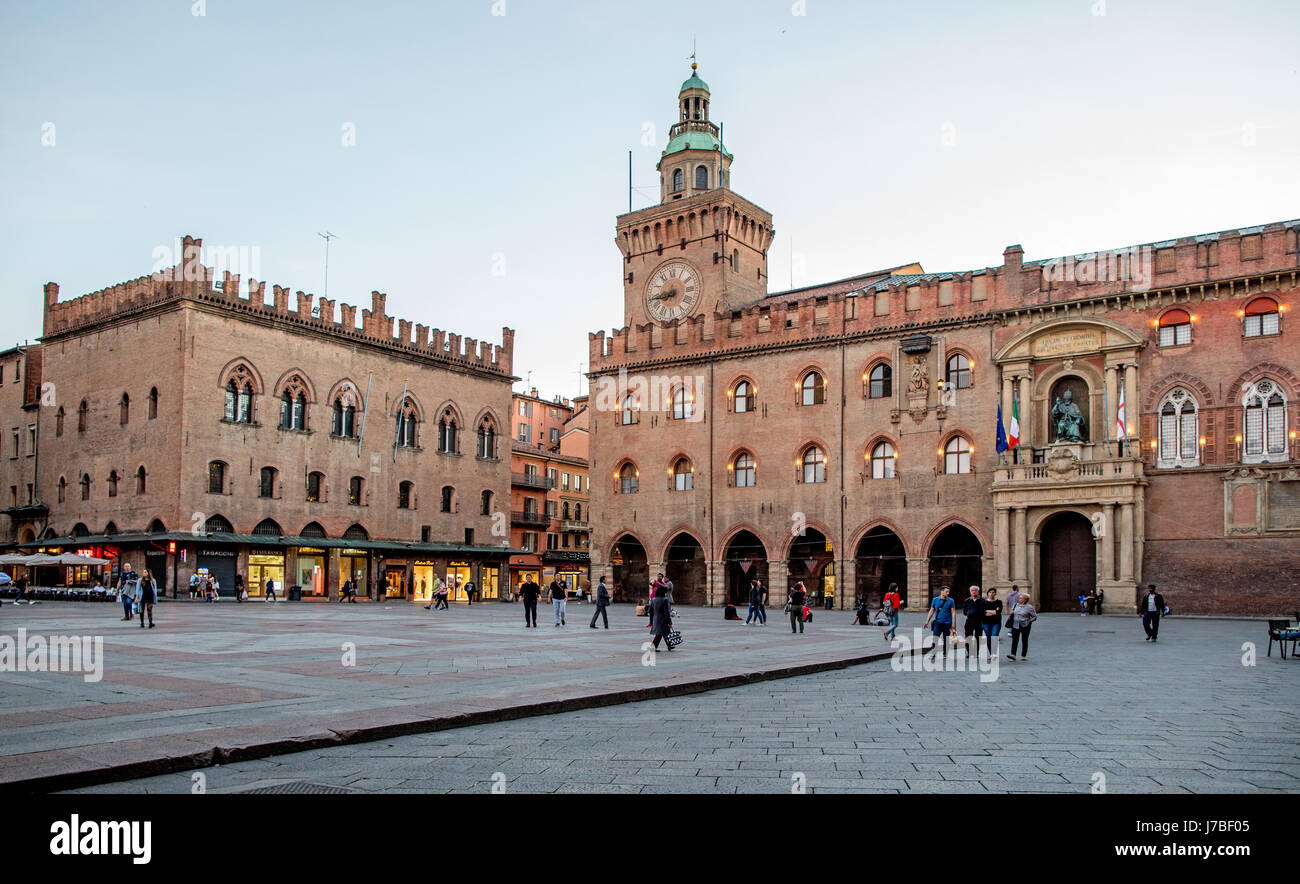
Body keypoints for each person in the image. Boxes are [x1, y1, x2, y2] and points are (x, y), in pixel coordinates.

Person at [923, 585, 957, 656]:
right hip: (938, 622)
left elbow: (953, 612)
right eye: (946, 592)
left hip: (947, 623)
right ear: (941, 592)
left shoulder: (951, 601)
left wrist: (954, 624)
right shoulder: (935, 600)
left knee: (946, 639)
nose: (948, 593)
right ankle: (933, 653)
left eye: (948, 592)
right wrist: (927, 621)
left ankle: (945, 653)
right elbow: (932, 610)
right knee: (935, 637)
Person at [1008, 593, 1038, 661]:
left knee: (1024, 640)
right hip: (1015, 625)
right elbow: (1011, 612)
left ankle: (1023, 655)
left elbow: (1035, 617)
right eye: (1019, 598)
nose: (1019, 599)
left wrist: (1029, 621)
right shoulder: (1015, 605)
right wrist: (1011, 612)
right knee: (1014, 640)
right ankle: (1013, 655)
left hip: (1025, 625)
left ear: (1025, 600)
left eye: (1021, 598)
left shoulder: (1029, 607)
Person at [649, 581, 675, 652]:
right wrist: (669, 622)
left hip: (656, 618)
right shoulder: (665, 600)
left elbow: (650, 611)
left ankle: (669, 645)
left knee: (665, 632)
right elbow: (666, 612)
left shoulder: (653, 600)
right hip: (663, 619)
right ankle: (653, 647)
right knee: (660, 633)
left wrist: (651, 621)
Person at [979, 587, 1003, 657]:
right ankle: (992, 653)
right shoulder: (983, 602)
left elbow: (998, 612)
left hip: (996, 622)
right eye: (990, 592)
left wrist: (987, 611)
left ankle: (994, 652)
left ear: (995, 593)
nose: (991, 594)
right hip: (986, 622)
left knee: (994, 636)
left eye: (993, 592)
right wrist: (993, 611)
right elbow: (982, 612)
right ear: (987, 593)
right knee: (988, 638)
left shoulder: (999, 602)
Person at [962, 585, 983, 650]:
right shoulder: (967, 600)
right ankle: (969, 651)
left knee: (978, 637)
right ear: (970, 592)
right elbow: (965, 611)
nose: (974, 592)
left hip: (979, 621)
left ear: (978, 591)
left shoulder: (982, 600)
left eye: (975, 590)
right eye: (972, 590)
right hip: (969, 621)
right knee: (968, 637)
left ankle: (976, 651)